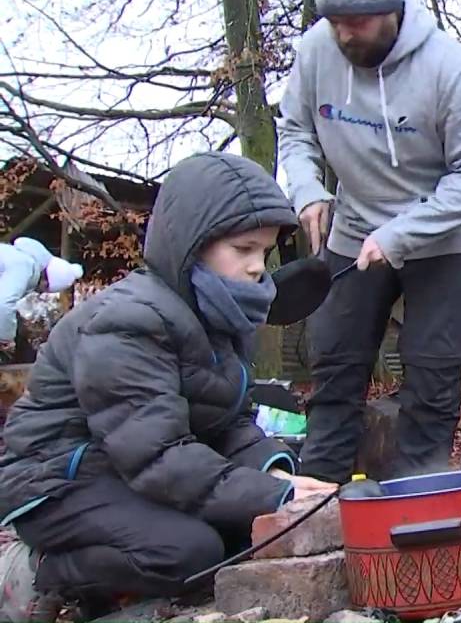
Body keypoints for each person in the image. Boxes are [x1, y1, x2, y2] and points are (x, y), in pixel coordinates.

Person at [0, 153, 336, 622]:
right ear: (191, 245)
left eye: (265, 251)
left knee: (243, 537)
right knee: (189, 553)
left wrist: (276, 477)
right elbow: (157, 455)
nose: (258, 267)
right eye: (243, 249)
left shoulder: (217, 314)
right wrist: (271, 496)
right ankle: (36, 572)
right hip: (58, 477)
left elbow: (227, 422)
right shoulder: (129, 321)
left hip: (124, 467)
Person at [277, 0, 461, 481]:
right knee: (335, 367)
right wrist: (308, 190)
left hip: (442, 238)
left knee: (430, 376)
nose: (342, 33)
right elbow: (296, 130)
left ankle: (416, 501)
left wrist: (401, 235)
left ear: (390, 6)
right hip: (354, 230)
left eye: (355, 20)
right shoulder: (315, 52)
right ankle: (314, 499)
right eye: (332, 19)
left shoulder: (448, 69)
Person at [0, 238, 82, 362]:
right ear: (47, 281)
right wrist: (5, 339)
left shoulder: (15, 256)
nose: (39, 292)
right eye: (44, 289)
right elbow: (3, 305)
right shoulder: (24, 266)